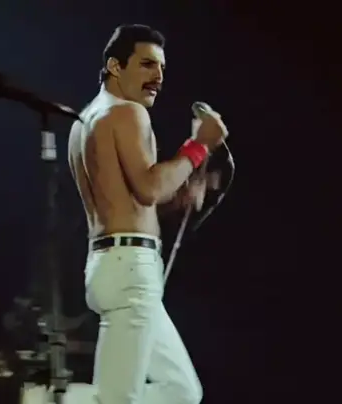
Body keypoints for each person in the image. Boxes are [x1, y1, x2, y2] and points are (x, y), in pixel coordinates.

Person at [67, 24, 228, 404]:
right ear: (115, 66)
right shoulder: (128, 113)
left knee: (182, 392)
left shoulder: (85, 120)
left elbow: (129, 201)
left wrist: (180, 196)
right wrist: (199, 146)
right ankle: (34, 398)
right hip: (130, 270)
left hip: (112, 263)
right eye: (146, 64)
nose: (158, 77)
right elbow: (150, 187)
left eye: (162, 68)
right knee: (117, 400)